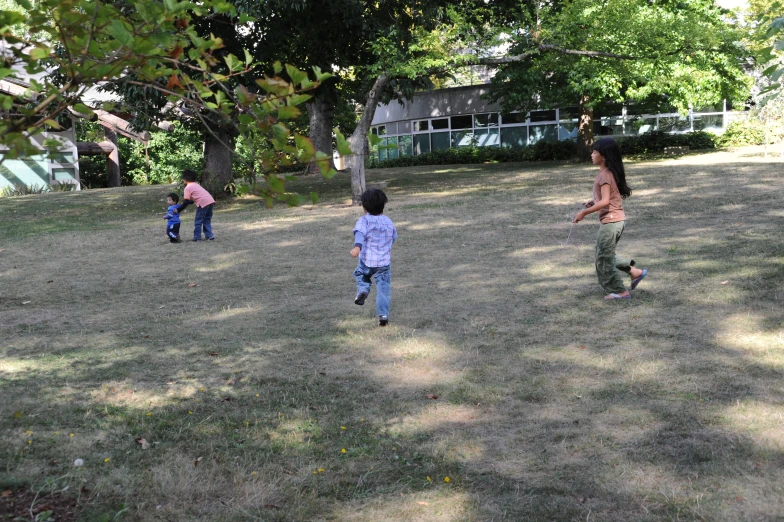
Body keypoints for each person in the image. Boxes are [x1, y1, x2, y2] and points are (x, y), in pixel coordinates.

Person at [573, 138, 647, 299]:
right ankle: (635, 272)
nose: (591, 155)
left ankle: (620, 291)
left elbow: (606, 201)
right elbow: (607, 197)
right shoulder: (606, 173)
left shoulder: (605, 175)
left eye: (594, 152)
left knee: (603, 258)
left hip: (612, 221)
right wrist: (592, 201)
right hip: (615, 220)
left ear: (604, 156)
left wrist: (584, 213)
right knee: (604, 253)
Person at [350, 188, 398, 326]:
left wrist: (357, 247)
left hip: (366, 261)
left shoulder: (364, 221)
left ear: (364, 208)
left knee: (360, 275)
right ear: (383, 206)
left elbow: (359, 234)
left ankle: (363, 290)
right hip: (383, 263)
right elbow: (394, 238)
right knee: (383, 289)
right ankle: (383, 316)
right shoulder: (388, 222)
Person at [173, 169, 216, 241]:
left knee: (198, 221)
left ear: (185, 179)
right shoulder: (196, 185)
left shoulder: (188, 188)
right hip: (210, 201)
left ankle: (197, 237)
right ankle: (209, 235)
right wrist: (189, 202)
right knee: (206, 220)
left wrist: (178, 209)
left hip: (202, 203)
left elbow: (186, 201)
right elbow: (192, 200)